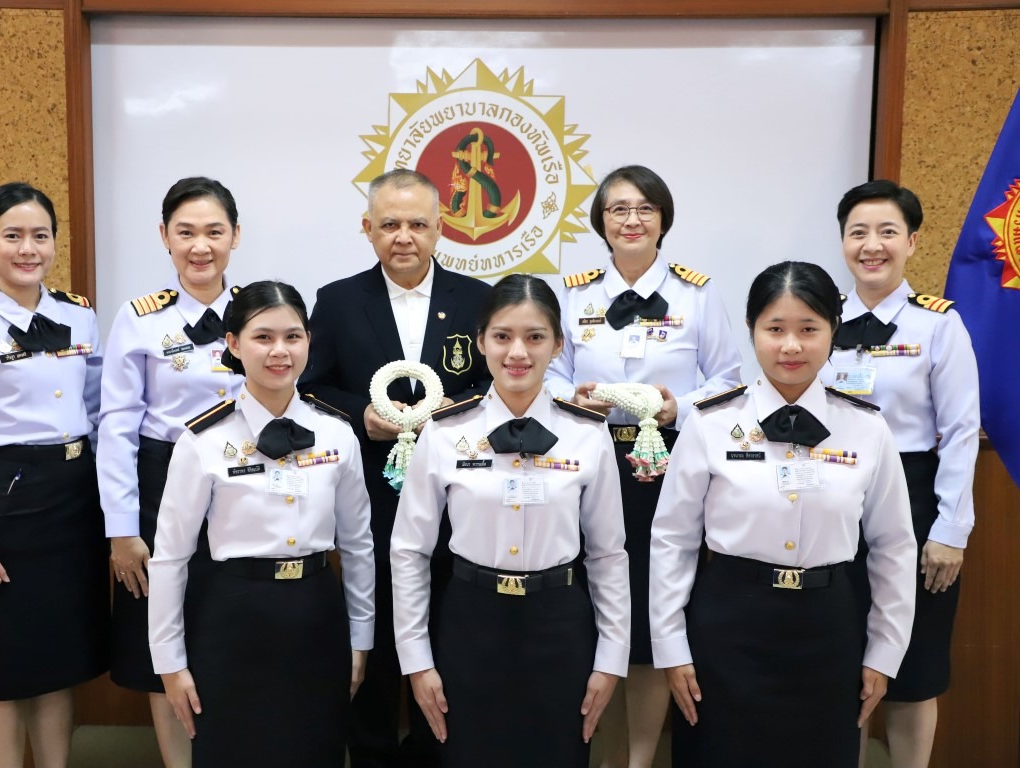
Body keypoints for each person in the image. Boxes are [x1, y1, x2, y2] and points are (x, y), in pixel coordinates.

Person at [649, 260, 918, 767]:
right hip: (729, 625)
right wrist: (670, 644)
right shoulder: (710, 423)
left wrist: (885, 650)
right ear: (751, 331)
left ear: (833, 331)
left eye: (808, 329)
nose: (791, 346)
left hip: (829, 629)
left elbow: (894, 546)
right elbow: (672, 539)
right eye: (775, 329)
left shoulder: (866, 428)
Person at [391, 273, 630, 768]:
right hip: (469, 625)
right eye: (502, 336)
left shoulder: (587, 434)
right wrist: (416, 660)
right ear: (480, 342)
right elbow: (410, 551)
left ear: (558, 345)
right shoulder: (444, 431)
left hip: (559, 627)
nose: (517, 352)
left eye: (535, 337)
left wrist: (611, 659)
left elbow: (608, 554)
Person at [545, 164, 741, 767]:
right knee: (600, 611)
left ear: (662, 219)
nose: (631, 220)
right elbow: (548, 373)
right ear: (601, 221)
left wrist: (678, 407)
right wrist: (572, 398)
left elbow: (728, 380)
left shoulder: (696, 294)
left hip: (668, 467)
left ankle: (639, 759)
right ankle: (603, 755)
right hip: (591, 463)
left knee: (656, 613)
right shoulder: (573, 293)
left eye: (644, 209)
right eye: (618, 210)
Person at [299, 168, 492, 768]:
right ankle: (374, 752)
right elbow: (313, 385)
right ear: (367, 228)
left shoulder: (478, 300)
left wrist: (447, 415)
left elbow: (494, 383)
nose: (403, 236)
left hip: (459, 496)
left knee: (447, 627)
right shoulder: (337, 300)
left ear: (440, 227)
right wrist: (363, 417)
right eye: (389, 224)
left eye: (416, 224)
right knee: (377, 626)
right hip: (373, 490)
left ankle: (440, 752)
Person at [147, 280, 375, 764]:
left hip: (317, 616)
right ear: (233, 344)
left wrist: (360, 640)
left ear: (309, 342)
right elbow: (170, 558)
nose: (279, 351)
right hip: (233, 618)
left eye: (293, 336)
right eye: (263, 337)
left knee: (315, 751)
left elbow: (358, 547)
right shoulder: (204, 440)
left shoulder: (336, 434)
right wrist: (169, 662)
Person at [0, 182, 108, 768]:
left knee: (57, 662)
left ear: (54, 242)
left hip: (73, 500)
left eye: (40, 236)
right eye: (12, 236)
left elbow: (97, 412)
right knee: (1, 670)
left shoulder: (79, 315)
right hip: (6, 503)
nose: (28, 249)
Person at [822, 181, 979, 768]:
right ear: (843, 241)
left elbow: (961, 432)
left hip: (914, 498)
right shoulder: (819, 321)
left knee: (914, 667)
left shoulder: (938, 325)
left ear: (912, 242)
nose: (872, 246)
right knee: (844, 660)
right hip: (835, 493)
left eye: (887, 232)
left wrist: (950, 532)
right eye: (858, 232)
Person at [97, 176, 244, 767]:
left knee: (233, 629)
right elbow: (116, 428)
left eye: (214, 231)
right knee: (165, 634)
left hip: (244, 481)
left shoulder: (262, 309)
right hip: (161, 482)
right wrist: (121, 529)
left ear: (236, 236)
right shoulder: (139, 319)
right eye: (186, 232)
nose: (200, 246)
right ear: (164, 236)